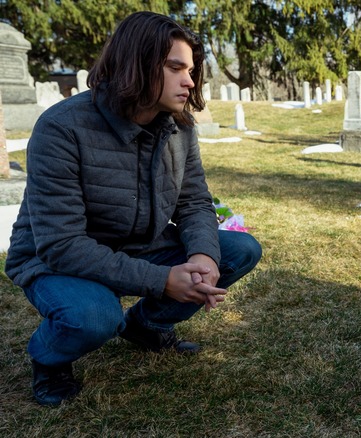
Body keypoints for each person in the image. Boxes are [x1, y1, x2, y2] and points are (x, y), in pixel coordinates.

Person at [5, 11, 262, 407]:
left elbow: (193, 200)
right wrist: (163, 280)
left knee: (240, 251)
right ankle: (49, 358)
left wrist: (202, 255)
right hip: (55, 259)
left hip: (142, 244)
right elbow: (61, 244)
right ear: (136, 64)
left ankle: (145, 326)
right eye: (175, 67)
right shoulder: (62, 128)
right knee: (94, 317)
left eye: (191, 69)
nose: (190, 80)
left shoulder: (180, 126)